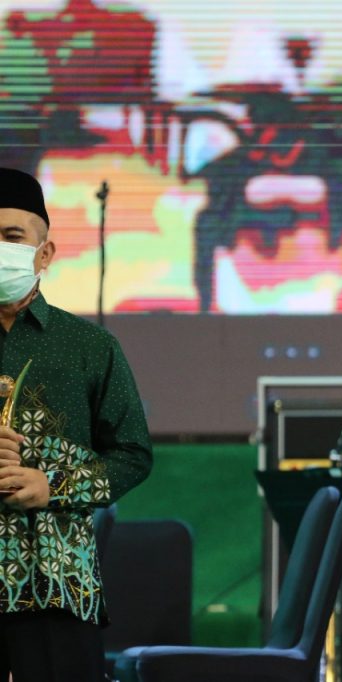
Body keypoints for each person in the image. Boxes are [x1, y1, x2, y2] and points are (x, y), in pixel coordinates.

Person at [0, 168, 153, 681]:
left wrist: (54, 486)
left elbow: (132, 455)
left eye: (11, 236)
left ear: (44, 253)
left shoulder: (88, 347)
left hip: (57, 581)